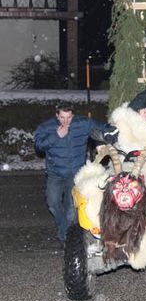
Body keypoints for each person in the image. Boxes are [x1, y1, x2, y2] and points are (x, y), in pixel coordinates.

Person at [34, 103, 108, 243]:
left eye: (69, 117)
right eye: (62, 117)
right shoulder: (47, 127)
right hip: (55, 173)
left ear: (72, 115)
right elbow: (38, 145)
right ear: (57, 115)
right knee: (53, 204)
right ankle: (64, 227)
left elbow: (103, 127)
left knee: (70, 209)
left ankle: (65, 238)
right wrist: (56, 135)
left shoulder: (83, 123)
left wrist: (105, 138)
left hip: (74, 174)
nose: (66, 121)